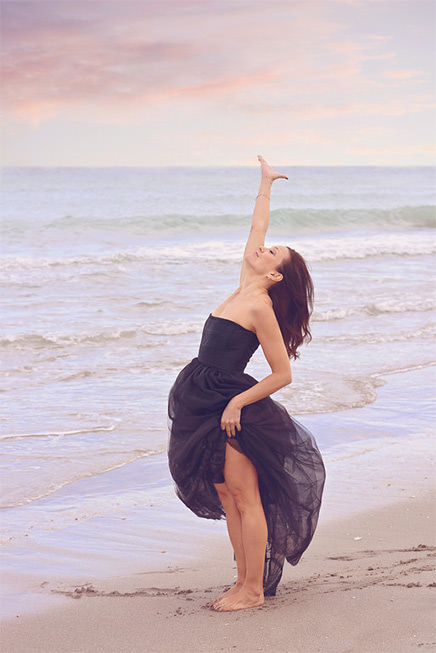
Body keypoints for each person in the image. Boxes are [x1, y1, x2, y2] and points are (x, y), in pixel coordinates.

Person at [168, 155, 325, 612]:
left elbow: (282, 374)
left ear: (275, 275)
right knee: (224, 491)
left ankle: (253, 590)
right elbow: (256, 228)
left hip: (232, 402)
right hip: (203, 396)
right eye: (267, 246)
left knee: (243, 493)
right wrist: (265, 183)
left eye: (272, 253)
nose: (262, 249)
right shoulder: (243, 284)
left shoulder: (260, 308)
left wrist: (237, 402)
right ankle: (241, 581)